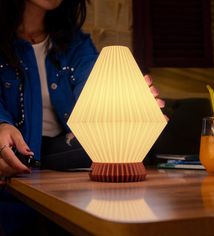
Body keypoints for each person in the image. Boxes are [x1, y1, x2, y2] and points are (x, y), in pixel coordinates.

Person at [0, 0, 164, 234]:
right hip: (17, 170)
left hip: (62, 155)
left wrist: (124, 98)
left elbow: (93, 85)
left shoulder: (75, 43)